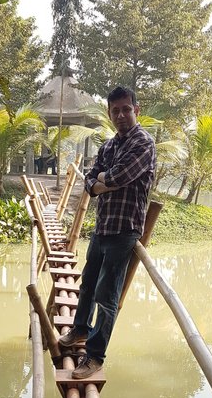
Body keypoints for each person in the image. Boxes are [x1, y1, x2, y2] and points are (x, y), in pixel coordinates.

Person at [58, 86, 156, 379]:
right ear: (110, 114)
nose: (121, 115)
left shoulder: (144, 143)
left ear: (136, 110)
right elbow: (91, 182)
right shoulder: (110, 145)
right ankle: (79, 331)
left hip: (124, 230)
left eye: (126, 109)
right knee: (87, 284)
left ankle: (95, 356)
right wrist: (103, 181)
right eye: (115, 110)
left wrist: (103, 180)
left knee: (106, 295)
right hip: (103, 227)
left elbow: (119, 177)